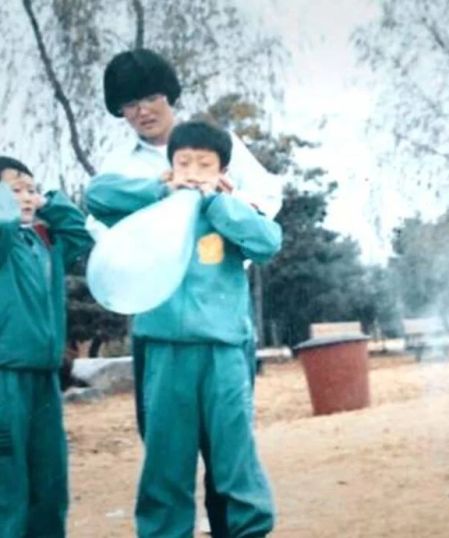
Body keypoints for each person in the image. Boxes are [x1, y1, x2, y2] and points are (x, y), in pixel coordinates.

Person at [98, 48, 281, 535]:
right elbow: (97, 199)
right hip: (159, 334)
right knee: (165, 457)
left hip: (223, 331)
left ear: (170, 97)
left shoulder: (223, 146)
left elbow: (267, 216)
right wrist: (161, 191)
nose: (143, 110)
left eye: (152, 97)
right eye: (130, 103)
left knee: (232, 455)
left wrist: (222, 200)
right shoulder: (125, 165)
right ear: (120, 110)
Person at [0, 156, 93, 537]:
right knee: (9, 481)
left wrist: (49, 201)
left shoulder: (45, 242)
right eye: (14, 190)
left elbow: (80, 235)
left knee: (50, 478)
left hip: (44, 375)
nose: (24, 198)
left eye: (29, 189)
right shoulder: (5, 243)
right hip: (5, 378)